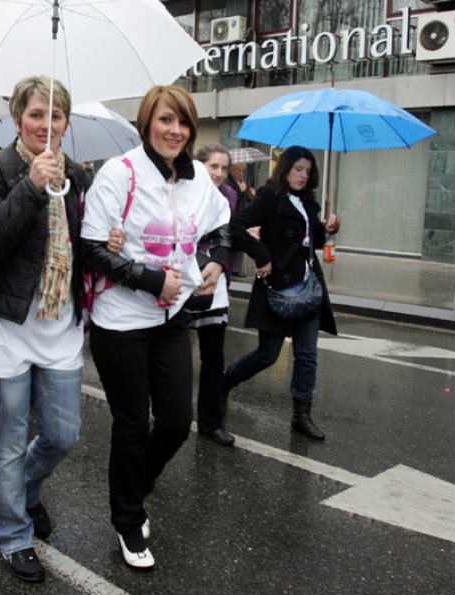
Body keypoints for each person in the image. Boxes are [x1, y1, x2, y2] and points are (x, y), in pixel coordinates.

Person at [81, 85, 230, 570]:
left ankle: (133, 490)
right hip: (120, 321)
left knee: (175, 424)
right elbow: (91, 247)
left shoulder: (197, 179)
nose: (175, 130)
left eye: (183, 122)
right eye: (166, 120)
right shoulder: (119, 173)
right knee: (131, 425)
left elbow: (222, 225)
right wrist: (150, 280)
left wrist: (216, 259)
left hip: (171, 318)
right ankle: (127, 520)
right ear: (147, 122)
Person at [0, 75, 91, 584]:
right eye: (36, 114)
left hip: (59, 325)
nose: (45, 124)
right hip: (4, 326)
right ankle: (13, 534)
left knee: (62, 435)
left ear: (65, 122)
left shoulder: (77, 176)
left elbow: (86, 245)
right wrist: (30, 187)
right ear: (18, 119)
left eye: (54, 115)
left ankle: (23, 491)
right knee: (10, 439)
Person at [223, 145, 341, 441]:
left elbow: (313, 241)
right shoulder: (269, 197)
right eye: (298, 169)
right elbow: (237, 227)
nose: (303, 176)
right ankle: (223, 383)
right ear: (285, 168)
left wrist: (328, 229)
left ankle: (301, 416)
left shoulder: (309, 202)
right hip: (279, 283)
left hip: (309, 286)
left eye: (308, 171)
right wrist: (262, 256)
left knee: (307, 355)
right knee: (268, 354)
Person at [188, 143, 238, 445]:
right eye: (213, 166)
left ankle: (211, 422)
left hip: (216, 280)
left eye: (224, 168)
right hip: (181, 279)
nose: (219, 173)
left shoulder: (229, 196)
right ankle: (168, 412)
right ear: (199, 166)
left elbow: (231, 235)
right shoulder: (182, 190)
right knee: (173, 355)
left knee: (214, 358)